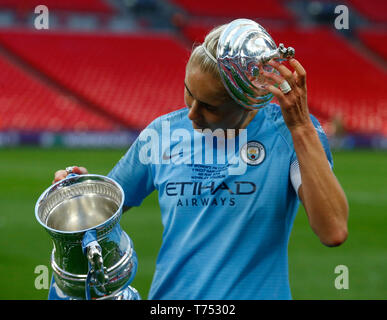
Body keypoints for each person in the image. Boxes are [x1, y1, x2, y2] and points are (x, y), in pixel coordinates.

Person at [53, 24, 349, 300]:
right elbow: (104, 211)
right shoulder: (162, 134)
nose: (192, 114)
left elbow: (333, 229)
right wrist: (78, 194)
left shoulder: (287, 134)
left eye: (209, 106)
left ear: (250, 97)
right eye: (189, 94)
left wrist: (299, 127)